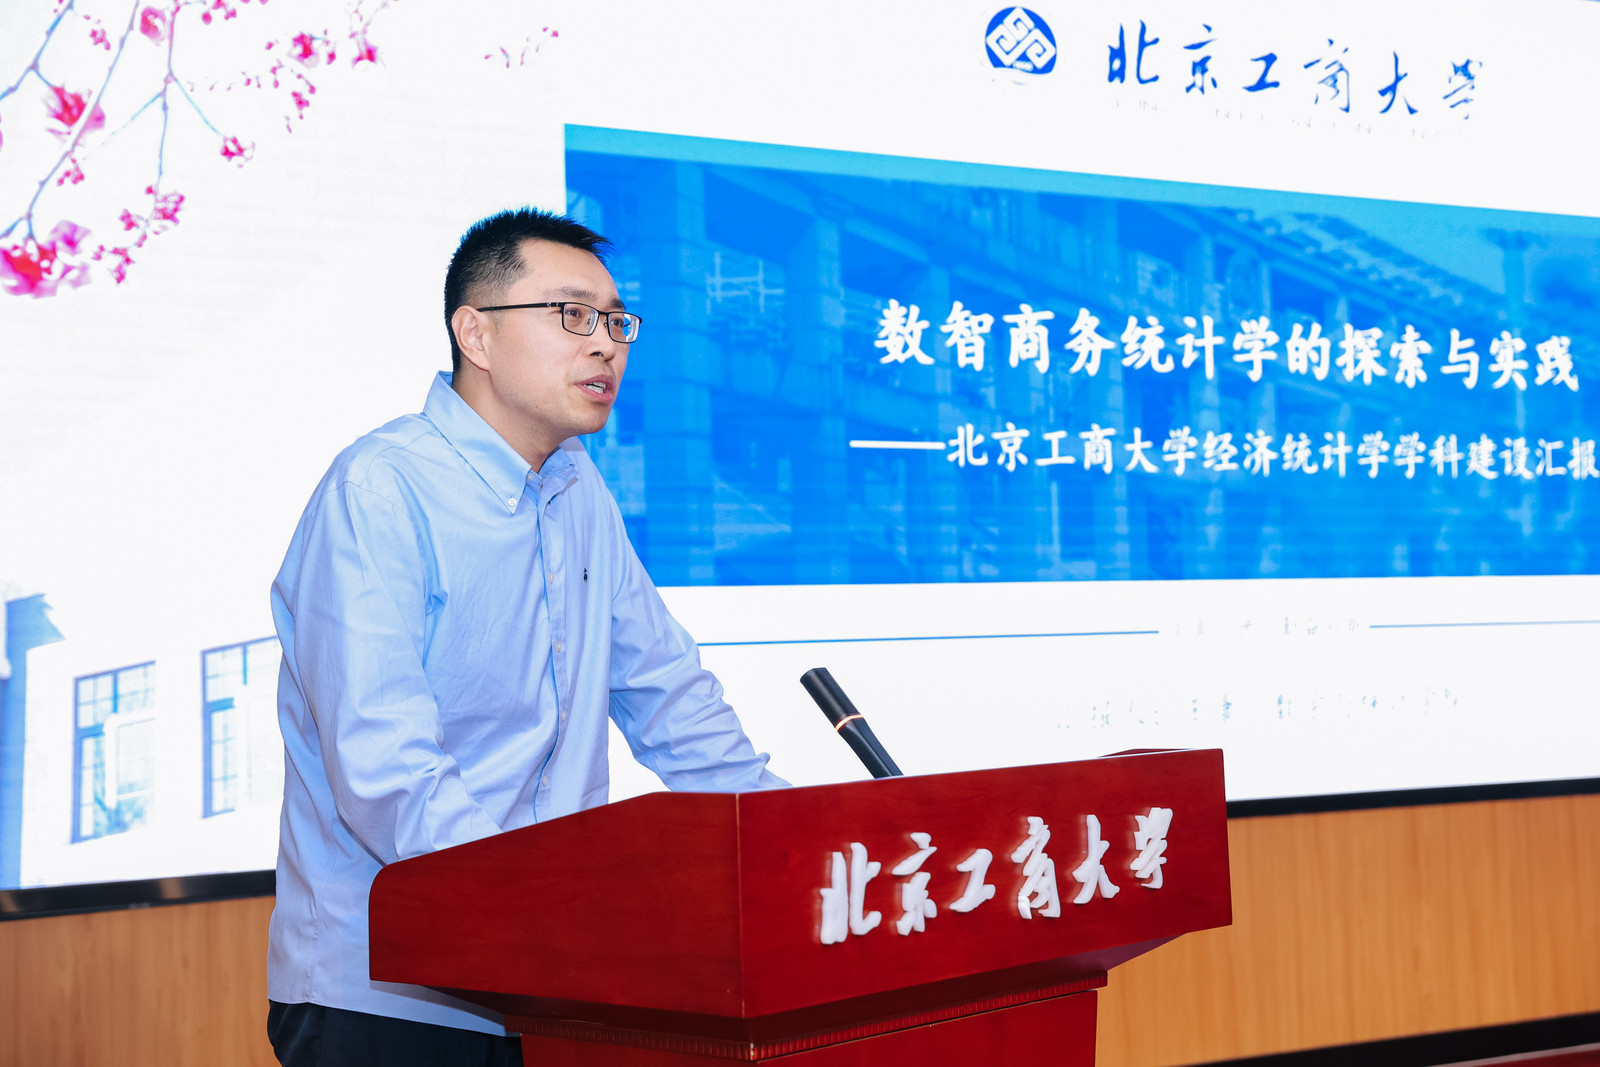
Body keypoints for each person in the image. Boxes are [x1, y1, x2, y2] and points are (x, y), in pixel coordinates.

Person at [265, 208, 785, 1066]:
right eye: (572, 315)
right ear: (476, 333)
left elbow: (672, 701)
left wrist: (796, 848)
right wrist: (546, 910)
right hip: (394, 994)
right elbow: (388, 771)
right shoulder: (379, 489)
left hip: (554, 985)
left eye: (616, 321)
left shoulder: (579, 490)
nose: (606, 344)